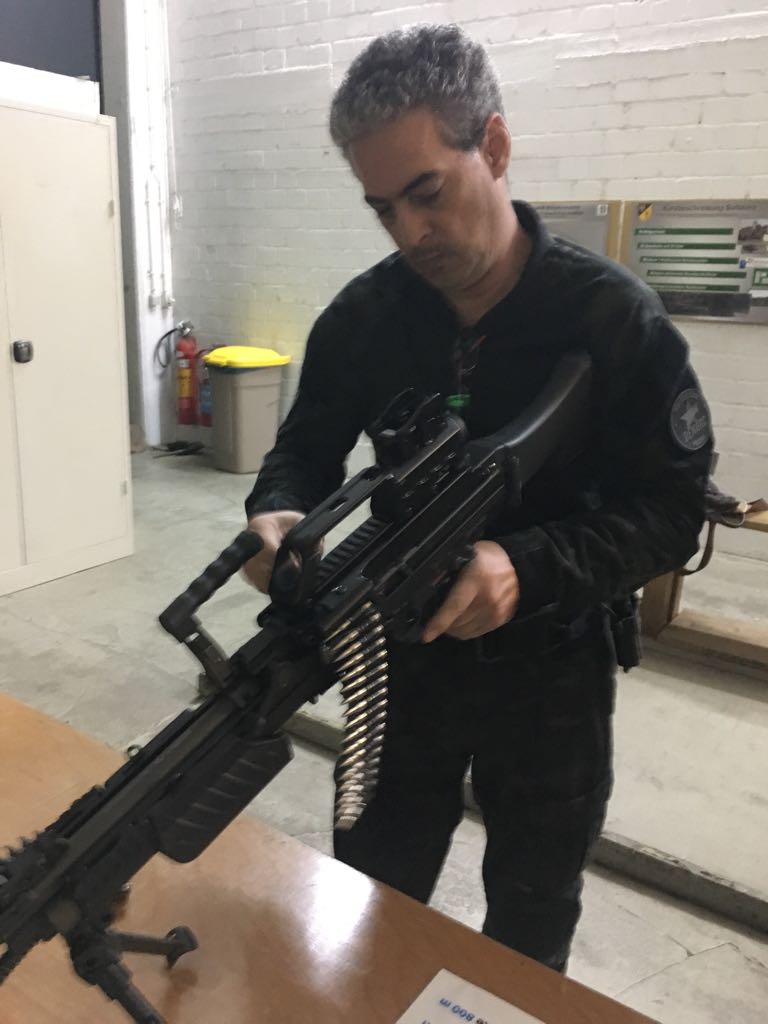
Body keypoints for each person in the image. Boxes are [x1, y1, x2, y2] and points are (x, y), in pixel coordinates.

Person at [242, 24, 712, 971]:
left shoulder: (612, 319)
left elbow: (672, 512)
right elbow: (302, 451)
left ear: (492, 147)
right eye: (382, 207)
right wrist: (278, 514)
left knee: (529, 928)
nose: (409, 232)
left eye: (427, 193)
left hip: (552, 674)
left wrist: (526, 568)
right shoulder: (365, 318)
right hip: (398, 663)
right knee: (370, 904)